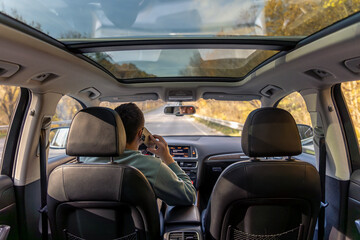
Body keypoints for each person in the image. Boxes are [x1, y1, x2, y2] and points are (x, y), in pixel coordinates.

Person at [82, 103, 196, 206]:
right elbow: (189, 196)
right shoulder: (151, 166)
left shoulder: (84, 161)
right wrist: (167, 157)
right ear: (141, 133)